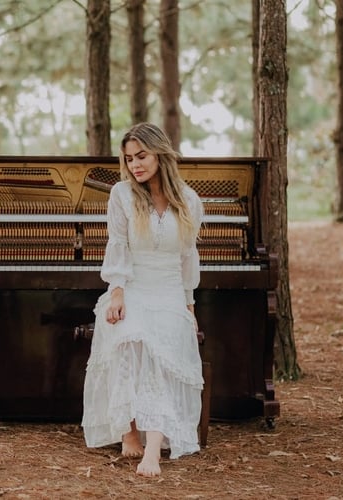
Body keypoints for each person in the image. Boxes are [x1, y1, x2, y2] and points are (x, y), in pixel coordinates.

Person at [81, 122, 204, 477]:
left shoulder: (189, 201)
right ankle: (128, 431)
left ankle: (153, 450)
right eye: (129, 158)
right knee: (127, 333)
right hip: (133, 286)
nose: (135, 164)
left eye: (142, 155)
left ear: (160, 153)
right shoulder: (122, 194)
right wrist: (116, 292)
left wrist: (189, 307)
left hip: (168, 292)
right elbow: (117, 245)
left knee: (165, 344)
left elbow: (187, 258)